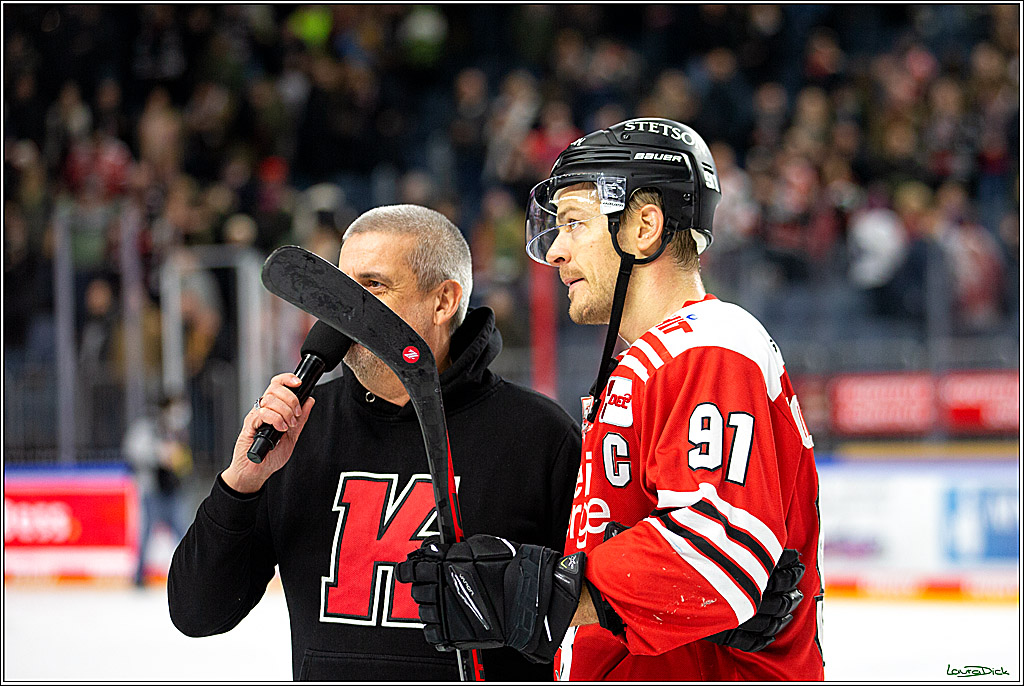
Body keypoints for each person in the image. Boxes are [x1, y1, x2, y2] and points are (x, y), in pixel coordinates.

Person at [398, 119, 824, 681]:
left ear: (645, 225)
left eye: (575, 222)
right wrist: (504, 573)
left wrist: (542, 591)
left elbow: (719, 555)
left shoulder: (711, 345)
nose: (554, 250)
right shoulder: (654, 360)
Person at [166, 204, 583, 681]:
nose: (348, 310)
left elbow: (591, 626)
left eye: (374, 286)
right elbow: (197, 613)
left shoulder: (539, 437)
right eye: (343, 289)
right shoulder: (299, 431)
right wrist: (240, 485)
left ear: (443, 301)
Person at [124, 393, 193, 587]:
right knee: (146, 534)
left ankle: (191, 574)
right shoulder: (147, 427)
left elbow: (184, 460)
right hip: (152, 490)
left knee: (183, 534)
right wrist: (158, 453)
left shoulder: (178, 431)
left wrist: (181, 463)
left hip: (173, 490)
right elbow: (133, 451)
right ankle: (138, 577)